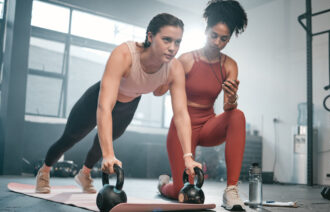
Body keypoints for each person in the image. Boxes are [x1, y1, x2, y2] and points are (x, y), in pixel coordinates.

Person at [35, 13, 201, 194]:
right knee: (71, 138)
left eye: (178, 42)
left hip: (128, 105)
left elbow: (181, 114)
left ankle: (84, 174)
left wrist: (188, 157)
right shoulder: (125, 54)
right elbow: (104, 106)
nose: (173, 48)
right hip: (98, 100)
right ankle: (44, 171)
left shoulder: (174, 68)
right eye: (167, 40)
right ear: (150, 36)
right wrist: (109, 155)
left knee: (103, 144)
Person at [158, 0, 248, 211]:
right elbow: (161, 90)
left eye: (223, 38)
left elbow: (228, 108)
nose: (217, 42)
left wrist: (232, 98)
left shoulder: (229, 65)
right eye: (213, 35)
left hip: (208, 126)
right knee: (182, 192)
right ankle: (165, 185)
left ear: (229, 38)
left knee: (237, 115)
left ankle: (231, 190)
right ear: (206, 30)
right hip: (182, 129)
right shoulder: (187, 59)